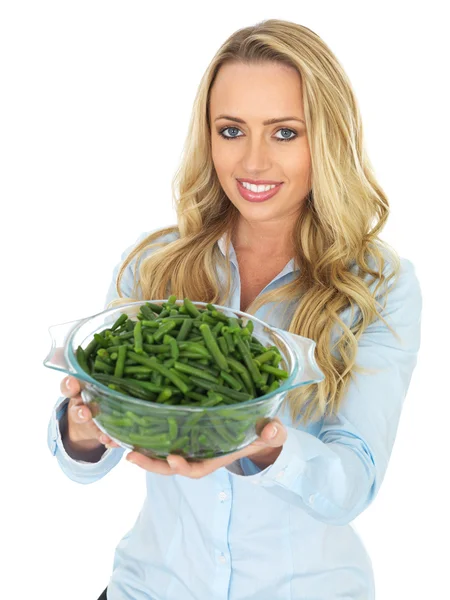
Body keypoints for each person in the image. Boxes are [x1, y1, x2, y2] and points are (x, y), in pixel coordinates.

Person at [47, 18, 422, 600]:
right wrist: (84, 427)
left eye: (284, 133)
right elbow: (84, 463)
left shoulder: (378, 285)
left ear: (326, 137)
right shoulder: (153, 266)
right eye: (231, 130)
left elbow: (355, 483)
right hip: (150, 586)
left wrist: (268, 446)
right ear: (208, 135)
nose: (252, 162)